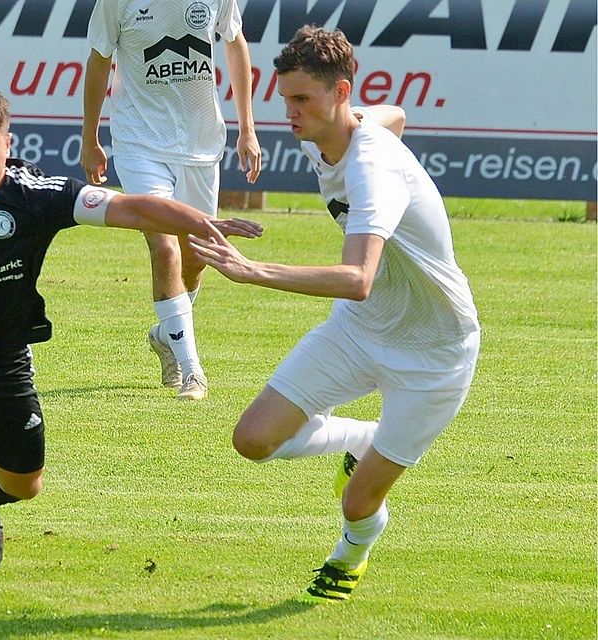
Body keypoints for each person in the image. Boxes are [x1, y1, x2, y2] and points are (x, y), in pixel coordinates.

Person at [0, 82, 262, 585]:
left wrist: (201, 222)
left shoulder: (37, 195)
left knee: (24, 484)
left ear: (8, 142)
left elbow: (130, 208)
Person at [188, 25, 480, 601]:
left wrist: (253, 271)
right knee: (251, 439)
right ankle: (359, 440)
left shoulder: (373, 167)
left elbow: (358, 280)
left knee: (358, 502)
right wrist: (373, 124)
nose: (290, 113)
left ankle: (351, 553)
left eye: (303, 100)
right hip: (360, 334)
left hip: (435, 351)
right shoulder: (333, 132)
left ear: (341, 91)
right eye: (286, 98)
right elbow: (392, 115)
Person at [81, 0, 262, 401]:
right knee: (163, 247)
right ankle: (192, 370)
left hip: (201, 143)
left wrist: (247, 128)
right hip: (139, 140)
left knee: (197, 255)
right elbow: (98, 60)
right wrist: (90, 138)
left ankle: (166, 332)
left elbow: (235, 44)